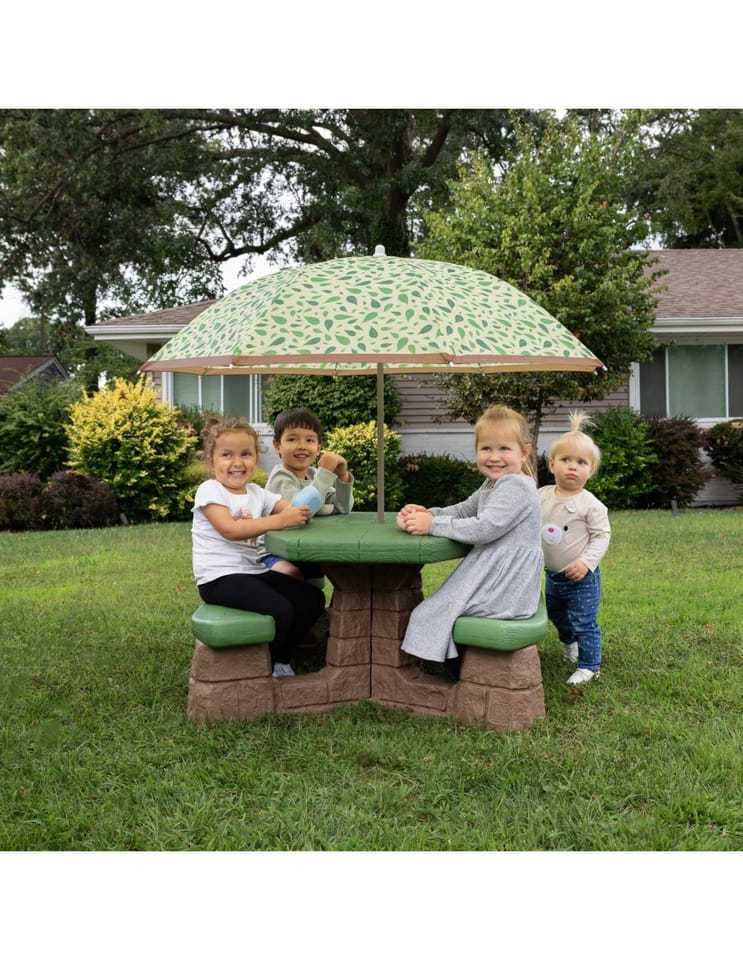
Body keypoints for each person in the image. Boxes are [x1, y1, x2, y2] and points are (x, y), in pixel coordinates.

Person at [397, 404, 543, 680]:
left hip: (506, 584)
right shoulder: (494, 484)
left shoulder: (517, 486)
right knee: (437, 608)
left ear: (524, 452)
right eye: (486, 448)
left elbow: (484, 528)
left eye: (504, 449)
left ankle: (460, 672)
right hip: (493, 572)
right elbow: (465, 510)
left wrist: (433, 526)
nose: (494, 457)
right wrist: (429, 514)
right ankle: (456, 664)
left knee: (435, 610)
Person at [191, 414, 326, 678]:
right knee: (281, 609)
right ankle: (271, 665)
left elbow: (294, 508)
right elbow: (230, 530)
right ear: (212, 460)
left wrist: (310, 498)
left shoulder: (257, 492)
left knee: (312, 599)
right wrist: (280, 520)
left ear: (256, 458)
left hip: (254, 572)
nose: (237, 462)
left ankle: (283, 656)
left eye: (246, 454)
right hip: (219, 578)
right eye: (227, 455)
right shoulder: (210, 490)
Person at [539, 411, 611, 686]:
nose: (572, 467)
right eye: (565, 460)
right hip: (553, 575)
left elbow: (602, 536)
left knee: (585, 621)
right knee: (556, 614)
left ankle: (590, 666)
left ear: (590, 470)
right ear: (552, 464)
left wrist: (586, 563)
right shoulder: (542, 495)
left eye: (581, 462)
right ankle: (570, 643)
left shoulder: (590, 504)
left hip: (582, 578)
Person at [262, 407, 354, 579]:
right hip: (275, 552)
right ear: (277, 445)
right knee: (294, 575)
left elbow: (342, 508)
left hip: (304, 547)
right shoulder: (280, 477)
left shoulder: (313, 476)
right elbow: (300, 513)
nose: (302, 446)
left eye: (310, 440)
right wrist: (325, 473)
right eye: (292, 439)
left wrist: (342, 476)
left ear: (318, 447)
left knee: (343, 568)